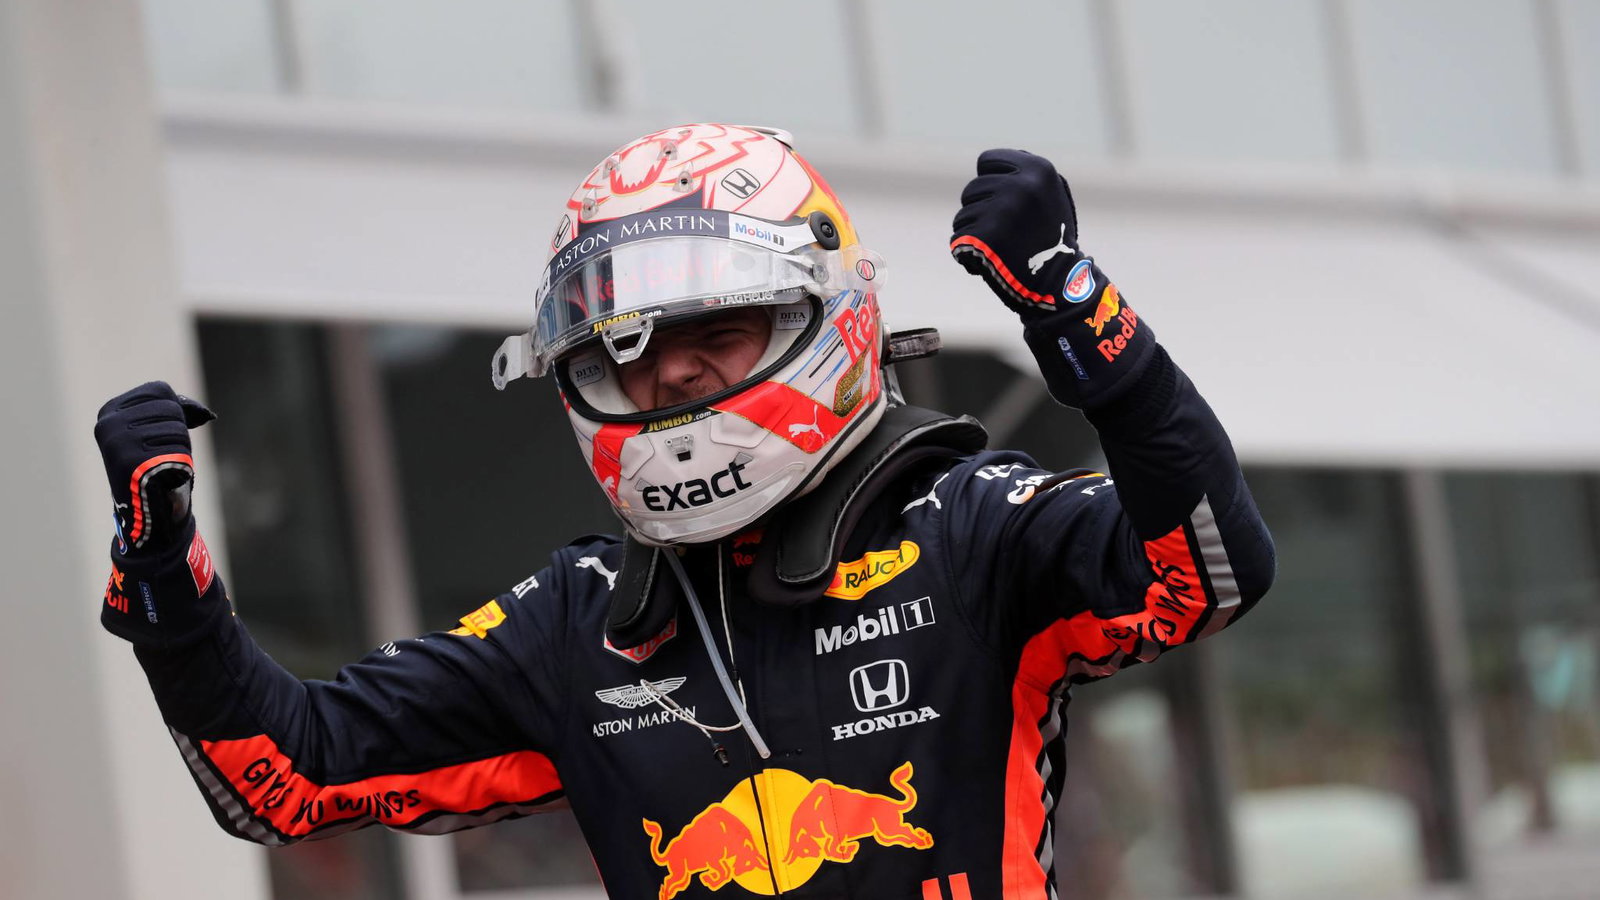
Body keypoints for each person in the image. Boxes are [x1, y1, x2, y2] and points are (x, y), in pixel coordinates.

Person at [95, 123, 1275, 899]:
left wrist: (1082, 317)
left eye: (718, 329)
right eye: (630, 349)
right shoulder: (577, 622)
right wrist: (166, 586)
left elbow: (1211, 570)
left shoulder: (967, 527)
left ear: (828, 320)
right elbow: (281, 777)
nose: (670, 375)